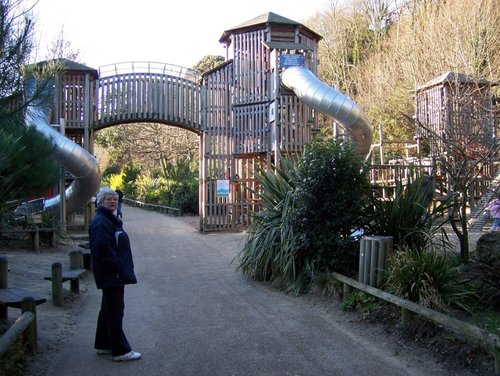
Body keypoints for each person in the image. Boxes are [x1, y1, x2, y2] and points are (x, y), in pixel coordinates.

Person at [89, 186, 141, 362]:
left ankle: (104, 344)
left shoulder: (108, 219)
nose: (112, 201)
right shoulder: (101, 222)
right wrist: (119, 266)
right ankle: (120, 350)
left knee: (107, 310)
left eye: (114, 199)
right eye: (108, 199)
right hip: (111, 274)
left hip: (112, 273)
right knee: (115, 311)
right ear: (100, 201)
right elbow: (101, 249)